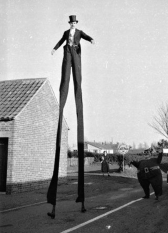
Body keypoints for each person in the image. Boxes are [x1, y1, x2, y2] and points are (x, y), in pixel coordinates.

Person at [47, 15, 95, 219]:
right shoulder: (66, 34)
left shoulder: (79, 34)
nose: (73, 26)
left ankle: (81, 199)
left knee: (77, 82)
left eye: (74, 23)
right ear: (69, 25)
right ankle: (55, 205)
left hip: (75, 53)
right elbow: (59, 42)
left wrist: (91, 39)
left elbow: (86, 36)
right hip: (67, 53)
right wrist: (55, 48)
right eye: (71, 24)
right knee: (64, 81)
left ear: (77, 24)